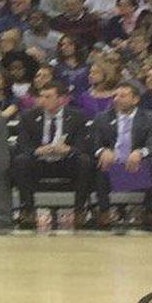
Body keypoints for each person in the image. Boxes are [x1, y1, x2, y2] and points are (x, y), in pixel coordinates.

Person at [11, 82, 93, 229]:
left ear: (61, 99)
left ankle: (80, 209)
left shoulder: (77, 116)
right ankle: (28, 209)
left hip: (66, 162)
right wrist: (38, 151)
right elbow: (22, 144)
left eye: (48, 97)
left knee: (84, 161)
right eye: (41, 96)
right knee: (20, 161)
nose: (43, 100)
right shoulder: (28, 116)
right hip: (40, 162)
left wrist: (68, 149)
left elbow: (82, 146)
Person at [91, 85, 152, 229]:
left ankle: (150, 210)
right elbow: (94, 145)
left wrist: (139, 153)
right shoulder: (102, 118)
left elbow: (151, 146)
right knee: (100, 164)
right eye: (115, 96)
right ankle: (104, 210)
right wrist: (102, 151)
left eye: (122, 96)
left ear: (135, 99)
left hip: (136, 167)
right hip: (112, 167)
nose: (117, 99)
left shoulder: (149, 117)